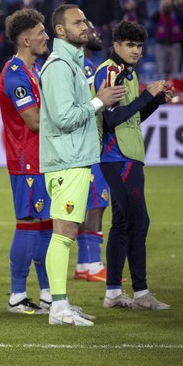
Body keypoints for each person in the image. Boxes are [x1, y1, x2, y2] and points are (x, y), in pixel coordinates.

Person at [38, 5, 126, 326]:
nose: (85, 26)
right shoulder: (59, 66)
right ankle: (58, 308)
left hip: (74, 159)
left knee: (67, 233)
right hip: (67, 160)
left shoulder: (72, 64)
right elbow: (63, 118)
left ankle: (61, 304)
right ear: (60, 31)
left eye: (85, 20)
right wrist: (99, 100)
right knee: (62, 234)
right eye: (77, 22)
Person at [93, 21, 176, 310]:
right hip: (118, 158)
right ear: (116, 45)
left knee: (122, 224)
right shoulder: (112, 71)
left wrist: (154, 103)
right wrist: (145, 96)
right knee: (139, 222)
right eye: (130, 45)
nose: (136, 51)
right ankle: (141, 294)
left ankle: (113, 293)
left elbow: (130, 118)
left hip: (125, 156)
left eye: (139, 46)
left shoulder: (126, 72)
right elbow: (111, 119)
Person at [0, 9, 52, 314]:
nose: (46, 37)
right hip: (26, 161)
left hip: (40, 159)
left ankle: (46, 295)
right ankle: (17, 296)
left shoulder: (33, 70)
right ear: (26, 38)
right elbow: (32, 120)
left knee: (44, 225)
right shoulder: (16, 72)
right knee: (29, 224)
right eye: (42, 32)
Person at [75, 23, 112, 283]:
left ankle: (83, 264)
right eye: (92, 30)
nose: (98, 35)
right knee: (96, 204)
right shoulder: (86, 67)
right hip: (90, 144)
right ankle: (94, 264)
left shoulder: (83, 64)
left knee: (87, 204)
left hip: (82, 145)